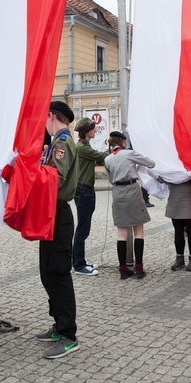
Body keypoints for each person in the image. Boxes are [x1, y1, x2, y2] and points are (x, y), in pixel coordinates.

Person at [34, 101, 81, 359]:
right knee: (48, 273)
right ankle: (57, 323)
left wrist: (32, 173)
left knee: (59, 274)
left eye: (44, 118)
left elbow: (55, 178)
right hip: (51, 213)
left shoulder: (61, 143)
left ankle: (68, 334)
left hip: (58, 213)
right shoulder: (57, 141)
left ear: (51, 116)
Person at [104, 131, 155, 279]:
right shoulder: (129, 154)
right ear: (122, 142)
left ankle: (123, 270)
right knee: (138, 231)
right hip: (132, 190)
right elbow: (151, 163)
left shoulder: (107, 159)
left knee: (122, 234)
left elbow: (110, 179)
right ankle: (139, 268)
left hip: (118, 193)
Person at [73, 117, 108, 276]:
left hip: (86, 190)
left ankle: (81, 260)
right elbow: (101, 156)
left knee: (84, 228)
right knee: (82, 229)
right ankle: (78, 264)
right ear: (86, 131)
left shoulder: (84, 146)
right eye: (93, 129)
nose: (95, 131)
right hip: (83, 190)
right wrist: (113, 150)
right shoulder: (82, 148)